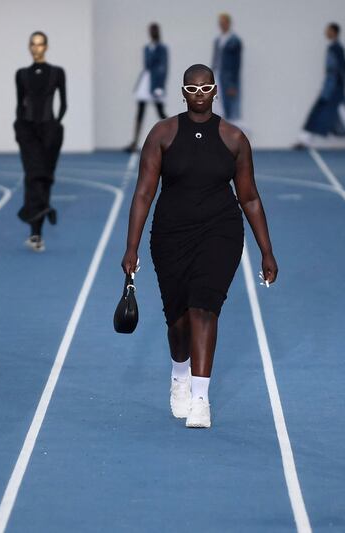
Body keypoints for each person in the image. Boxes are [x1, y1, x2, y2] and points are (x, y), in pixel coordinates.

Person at [122, 64, 277, 429]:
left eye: (206, 86)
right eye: (192, 88)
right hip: (170, 234)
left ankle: (201, 399)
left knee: (204, 308)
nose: (199, 93)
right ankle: (180, 374)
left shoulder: (234, 138)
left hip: (219, 231)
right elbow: (144, 192)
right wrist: (131, 247)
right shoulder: (162, 133)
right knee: (177, 319)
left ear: (215, 91)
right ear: (183, 92)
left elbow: (250, 198)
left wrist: (266, 250)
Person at [14, 30, 66, 252]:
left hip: (50, 131)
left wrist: (55, 124)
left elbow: (64, 103)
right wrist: (19, 128)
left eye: (40, 44)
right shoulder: (21, 74)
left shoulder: (57, 73)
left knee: (45, 178)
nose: (37, 48)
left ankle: (37, 229)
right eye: (33, 44)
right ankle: (36, 228)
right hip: (27, 131)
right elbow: (19, 104)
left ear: (46, 46)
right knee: (32, 176)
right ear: (29, 47)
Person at [295, 23, 345, 149]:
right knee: (318, 112)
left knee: (344, 114)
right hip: (328, 88)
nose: (326, 33)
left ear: (334, 32)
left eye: (328, 30)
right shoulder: (332, 48)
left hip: (335, 88)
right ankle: (304, 138)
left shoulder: (337, 49)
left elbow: (344, 67)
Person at [124, 23, 168, 153]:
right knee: (140, 112)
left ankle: (174, 137)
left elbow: (164, 67)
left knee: (161, 113)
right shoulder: (147, 48)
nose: (152, 33)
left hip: (156, 82)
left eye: (154, 31)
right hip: (145, 81)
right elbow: (146, 65)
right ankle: (135, 141)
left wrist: (160, 86)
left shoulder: (162, 48)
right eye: (151, 31)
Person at [211, 13, 242, 122]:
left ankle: (230, 123)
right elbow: (215, 58)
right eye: (220, 23)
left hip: (228, 77)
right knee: (217, 102)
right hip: (217, 75)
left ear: (229, 24)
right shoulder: (217, 40)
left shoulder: (234, 41)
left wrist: (233, 84)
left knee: (229, 103)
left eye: (224, 23)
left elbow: (236, 64)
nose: (222, 25)